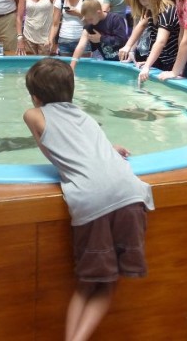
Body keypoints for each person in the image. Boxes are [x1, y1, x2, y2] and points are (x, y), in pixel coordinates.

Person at [22, 58, 154, 341]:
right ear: (72, 90)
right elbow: (85, 139)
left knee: (86, 285)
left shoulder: (33, 115)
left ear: (35, 96)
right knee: (107, 285)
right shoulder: (84, 116)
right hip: (130, 193)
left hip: (93, 201)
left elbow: (51, 144)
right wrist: (111, 147)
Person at [119, 0, 180, 82]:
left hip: (174, 60)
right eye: (140, 0)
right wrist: (128, 46)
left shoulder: (167, 10)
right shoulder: (150, 9)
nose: (143, 3)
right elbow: (142, 26)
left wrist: (147, 66)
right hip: (163, 58)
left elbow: (160, 41)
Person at [69, 0, 129, 69]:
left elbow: (121, 40)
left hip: (122, 62)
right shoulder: (90, 25)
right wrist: (72, 66)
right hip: (106, 62)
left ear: (99, 13)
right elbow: (80, 46)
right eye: (87, 20)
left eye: (90, 19)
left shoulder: (115, 19)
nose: (89, 22)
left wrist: (101, 38)